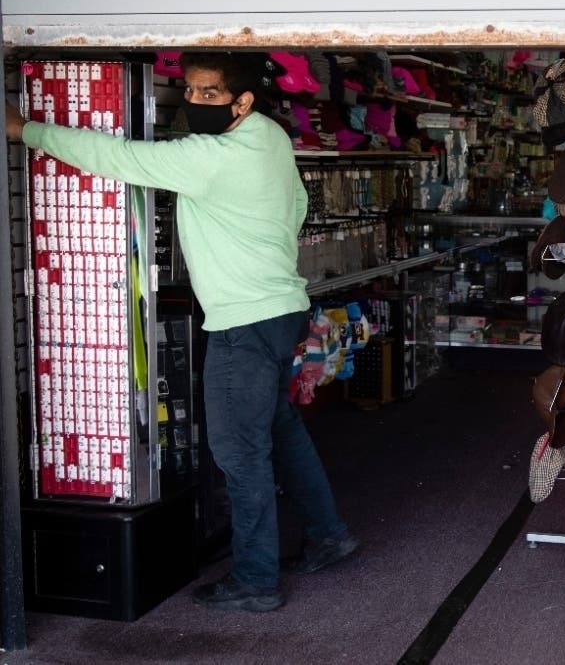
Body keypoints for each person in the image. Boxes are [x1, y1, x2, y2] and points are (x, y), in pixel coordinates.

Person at [5, 52, 358, 613]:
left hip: (242, 321)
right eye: (189, 91)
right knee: (279, 428)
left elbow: (115, 155)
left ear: (242, 101)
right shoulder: (269, 136)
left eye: (209, 94)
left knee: (239, 454)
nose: (194, 102)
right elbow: (298, 204)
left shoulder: (209, 158)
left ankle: (256, 580)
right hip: (281, 307)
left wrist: (28, 130)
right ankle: (328, 534)